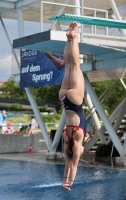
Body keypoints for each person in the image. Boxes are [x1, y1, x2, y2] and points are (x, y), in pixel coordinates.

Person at [59, 22, 86, 191]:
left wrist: (70, 183)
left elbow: (74, 165)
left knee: (75, 65)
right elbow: (67, 165)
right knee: (68, 66)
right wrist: (64, 180)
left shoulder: (77, 141)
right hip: (64, 99)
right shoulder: (66, 138)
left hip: (75, 101)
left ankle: (74, 36)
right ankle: (69, 38)